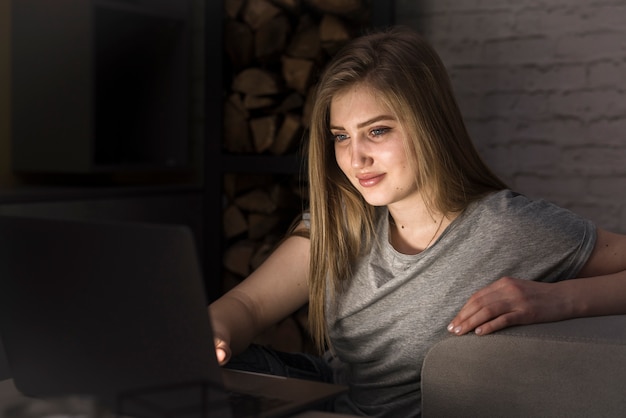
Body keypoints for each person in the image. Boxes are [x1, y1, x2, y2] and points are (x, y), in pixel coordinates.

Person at [209, 26, 626, 417]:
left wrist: (557, 299)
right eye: (341, 136)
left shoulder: (506, 228)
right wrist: (217, 334)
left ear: (429, 126)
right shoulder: (340, 222)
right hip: (330, 399)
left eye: (377, 131)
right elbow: (247, 305)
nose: (355, 160)